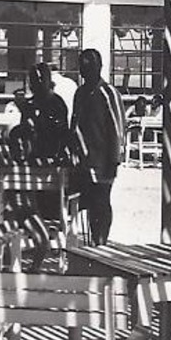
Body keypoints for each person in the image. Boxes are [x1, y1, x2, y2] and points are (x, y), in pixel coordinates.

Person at [69, 48, 127, 245]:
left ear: (99, 67)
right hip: (82, 161)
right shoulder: (80, 93)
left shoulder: (108, 93)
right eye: (83, 67)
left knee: (101, 203)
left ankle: (100, 241)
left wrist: (115, 160)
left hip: (102, 160)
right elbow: (74, 124)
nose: (87, 71)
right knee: (85, 203)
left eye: (90, 66)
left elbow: (118, 127)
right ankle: (89, 243)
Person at [17, 62, 70, 161]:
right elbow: (24, 131)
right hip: (33, 157)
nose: (36, 84)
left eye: (40, 80)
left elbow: (59, 133)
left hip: (52, 157)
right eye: (33, 80)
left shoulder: (56, 104)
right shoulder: (30, 104)